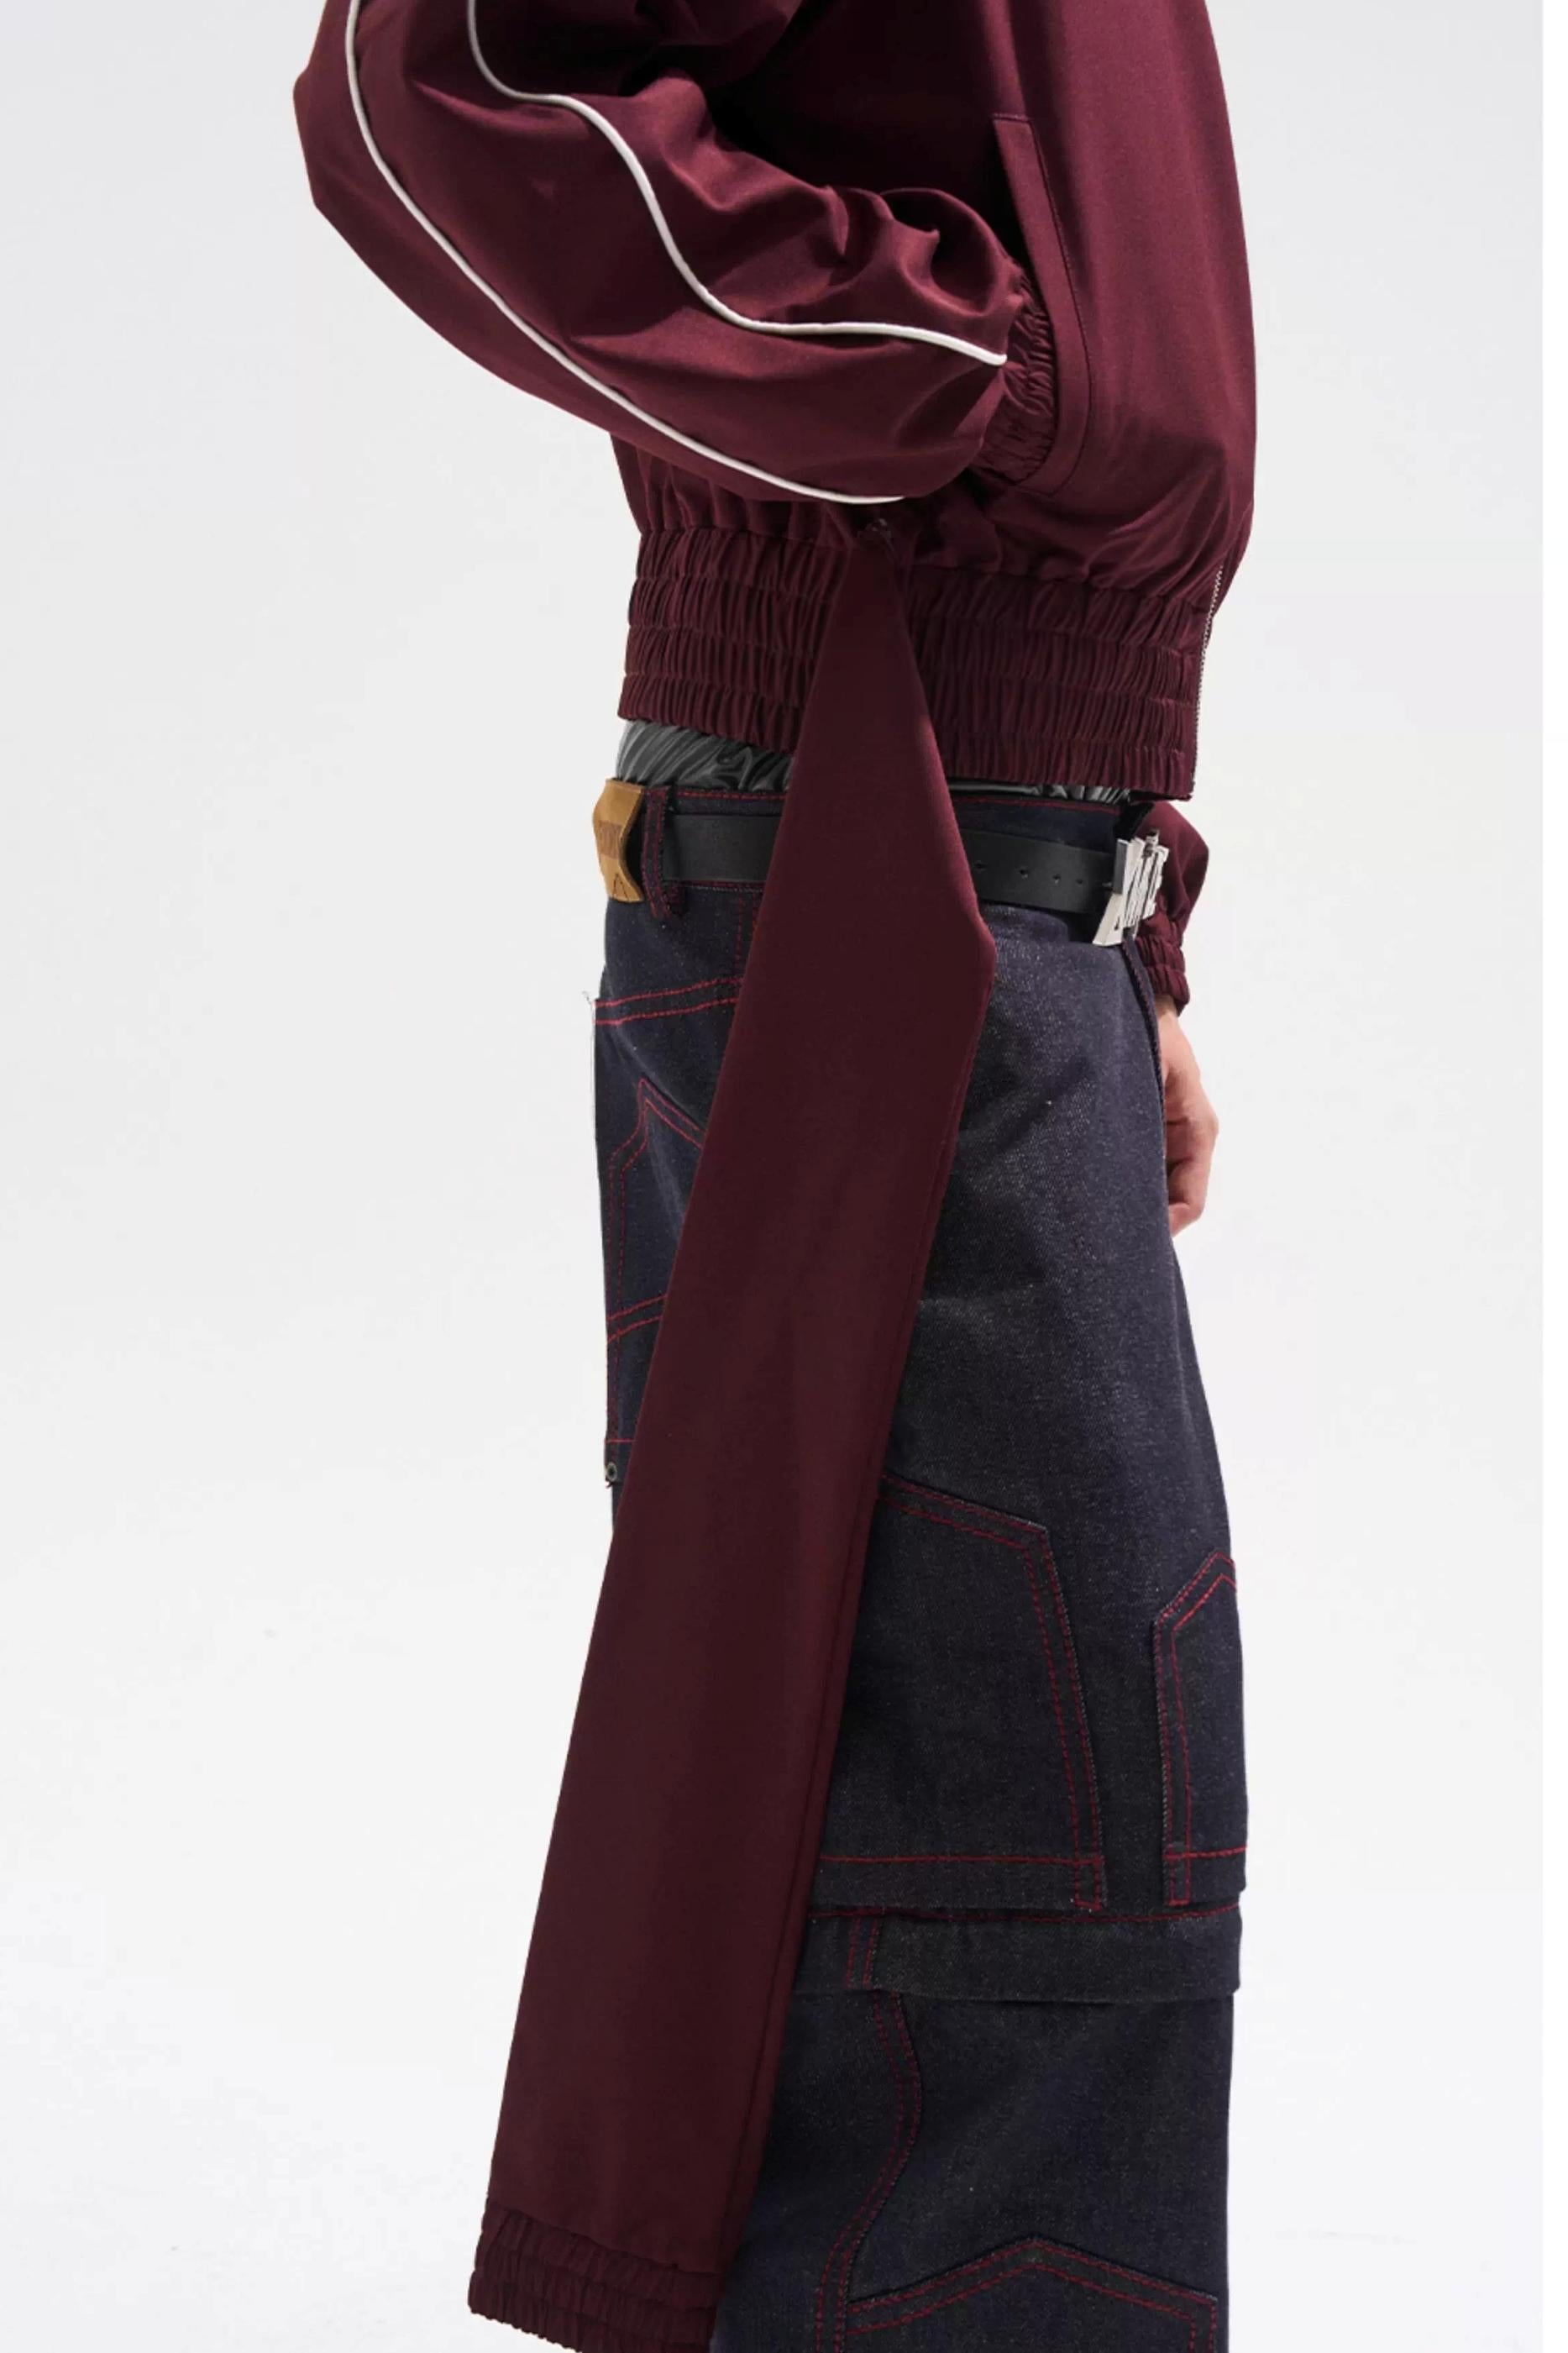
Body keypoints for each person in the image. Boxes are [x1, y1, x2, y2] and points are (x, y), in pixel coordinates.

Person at [295, 3, 1255, 2345]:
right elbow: (430, 91)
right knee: (993, 1810)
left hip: (995, 864)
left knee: (1063, 1776)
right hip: (863, 821)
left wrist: (1122, 920)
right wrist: (973, 374)